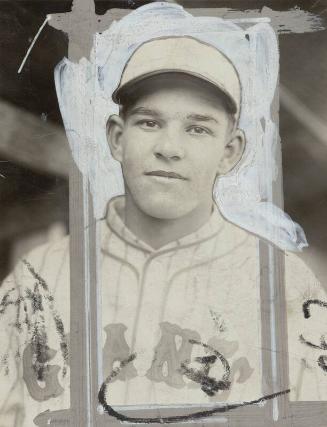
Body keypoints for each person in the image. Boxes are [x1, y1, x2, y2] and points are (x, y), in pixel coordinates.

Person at [0, 35, 326, 427]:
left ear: (231, 150)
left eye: (198, 129)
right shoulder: (38, 276)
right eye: (149, 122)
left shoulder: (286, 286)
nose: (169, 148)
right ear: (117, 138)